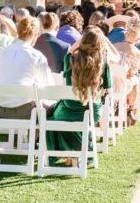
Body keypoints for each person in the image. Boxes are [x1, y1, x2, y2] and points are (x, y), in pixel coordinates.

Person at [46, 26, 112, 166]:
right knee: (67, 115)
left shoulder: (69, 59)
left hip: (69, 109)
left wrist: (77, 44)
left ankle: (69, 154)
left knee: (53, 115)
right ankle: (77, 154)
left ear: (82, 42)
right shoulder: (103, 62)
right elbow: (108, 88)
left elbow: (70, 51)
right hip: (92, 111)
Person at [0, 17, 53, 118]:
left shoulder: (2, 52)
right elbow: (48, 88)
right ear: (36, 34)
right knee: (54, 109)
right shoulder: (36, 55)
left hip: (1, 111)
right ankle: (38, 134)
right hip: (27, 112)